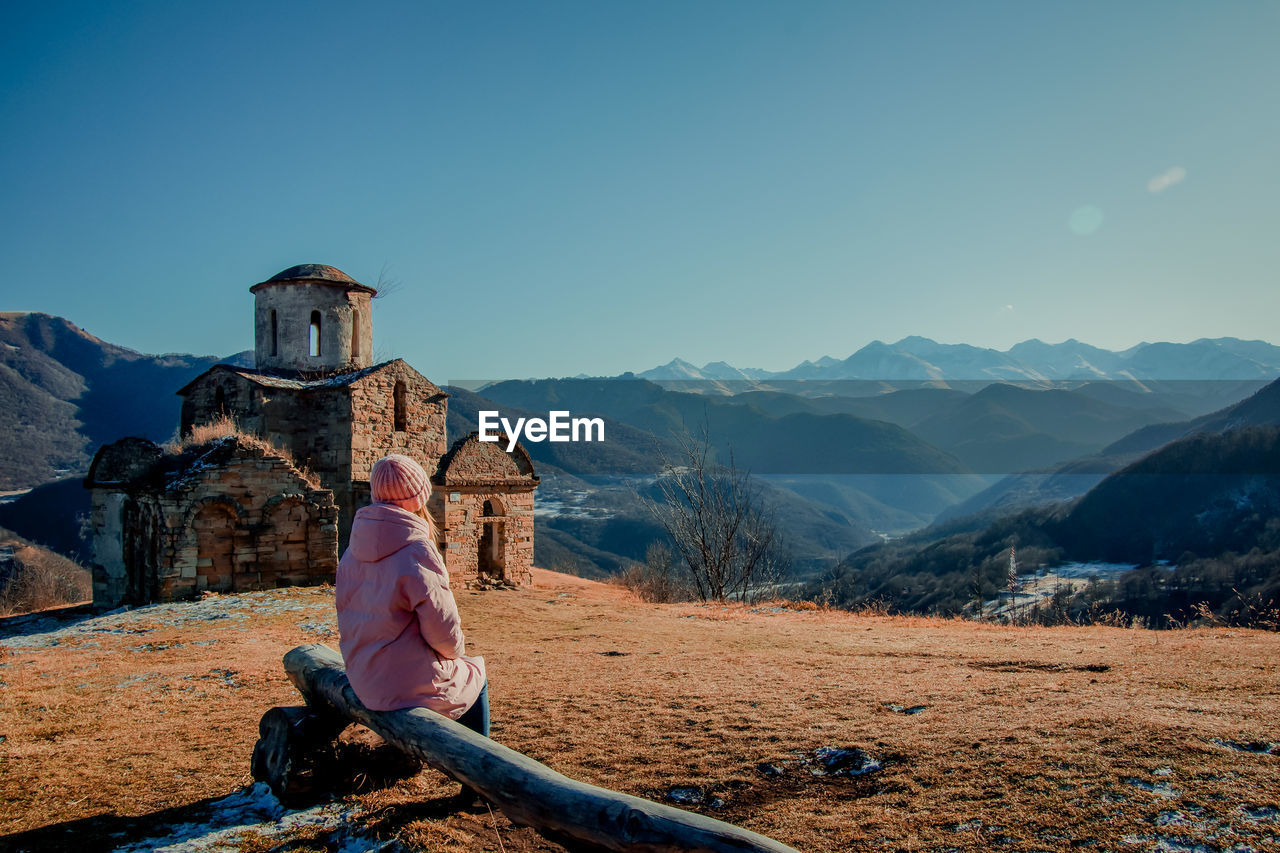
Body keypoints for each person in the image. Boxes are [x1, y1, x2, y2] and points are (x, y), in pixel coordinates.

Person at [335, 453, 490, 752]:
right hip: (405, 683)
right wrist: (456, 654)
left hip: (364, 676)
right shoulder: (416, 550)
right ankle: (479, 779)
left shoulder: (352, 550)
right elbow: (444, 631)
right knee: (475, 675)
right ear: (417, 499)